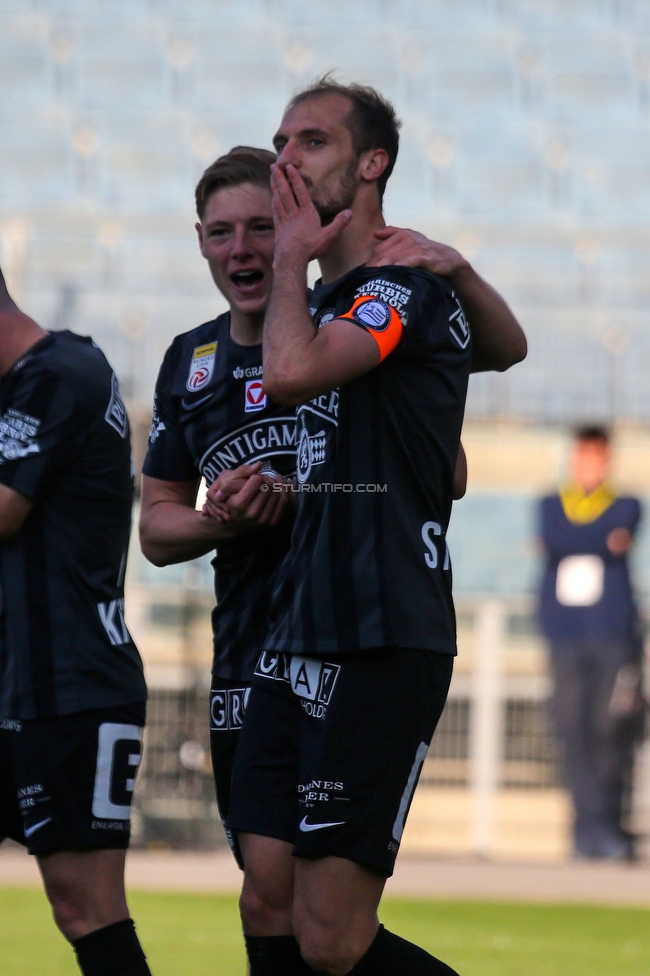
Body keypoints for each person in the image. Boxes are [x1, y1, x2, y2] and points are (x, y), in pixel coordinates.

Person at [139, 145, 523, 870]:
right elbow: (156, 530)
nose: (244, 249)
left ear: (299, 230)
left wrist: (307, 492)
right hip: (243, 654)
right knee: (265, 894)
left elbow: (449, 470)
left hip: (344, 638)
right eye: (222, 232)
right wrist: (225, 519)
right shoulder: (188, 363)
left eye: (263, 226)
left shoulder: (344, 328)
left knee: (323, 911)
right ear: (200, 243)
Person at [223, 78, 526, 976]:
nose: (286, 160)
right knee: (265, 893)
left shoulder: (395, 289)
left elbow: (289, 379)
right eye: (279, 140)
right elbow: (498, 352)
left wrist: (291, 261)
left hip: (380, 630)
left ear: (371, 164)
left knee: (333, 937)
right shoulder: (327, 302)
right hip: (298, 630)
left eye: (311, 142)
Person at [0, 270, 151, 976]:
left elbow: (4, 509)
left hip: (70, 684)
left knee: (83, 906)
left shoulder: (61, 372)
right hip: (14, 680)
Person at [538, 425, 644, 860]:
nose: (589, 466)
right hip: (564, 636)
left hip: (613, 636)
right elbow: (562, 536)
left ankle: (609, 829)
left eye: (597, 458)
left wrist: (573, 542)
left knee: (610, 729)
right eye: (583, 457)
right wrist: (600, 541)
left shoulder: (627, 504)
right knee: (573, 731)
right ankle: (584, 833)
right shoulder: (551, 503)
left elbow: (566, 540)